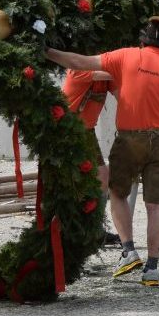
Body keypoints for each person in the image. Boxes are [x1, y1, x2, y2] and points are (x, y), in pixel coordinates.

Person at [46, 16, 159, 287]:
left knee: (116, 192)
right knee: (156, 205)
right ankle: (151, 269)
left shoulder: (126, 56)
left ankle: (129, 250)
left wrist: (45, 50)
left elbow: (78, 62)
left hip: (129, 138)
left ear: (142, 41)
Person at [61, 68, 120, 244]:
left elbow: (122, 96)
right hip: (66, 131)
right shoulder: (79, 69)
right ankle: (68, 230)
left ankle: (95, 229)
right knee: (70, 182)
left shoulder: (105, 77)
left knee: (102, 177)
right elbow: (118, 71)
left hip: (86, 132)